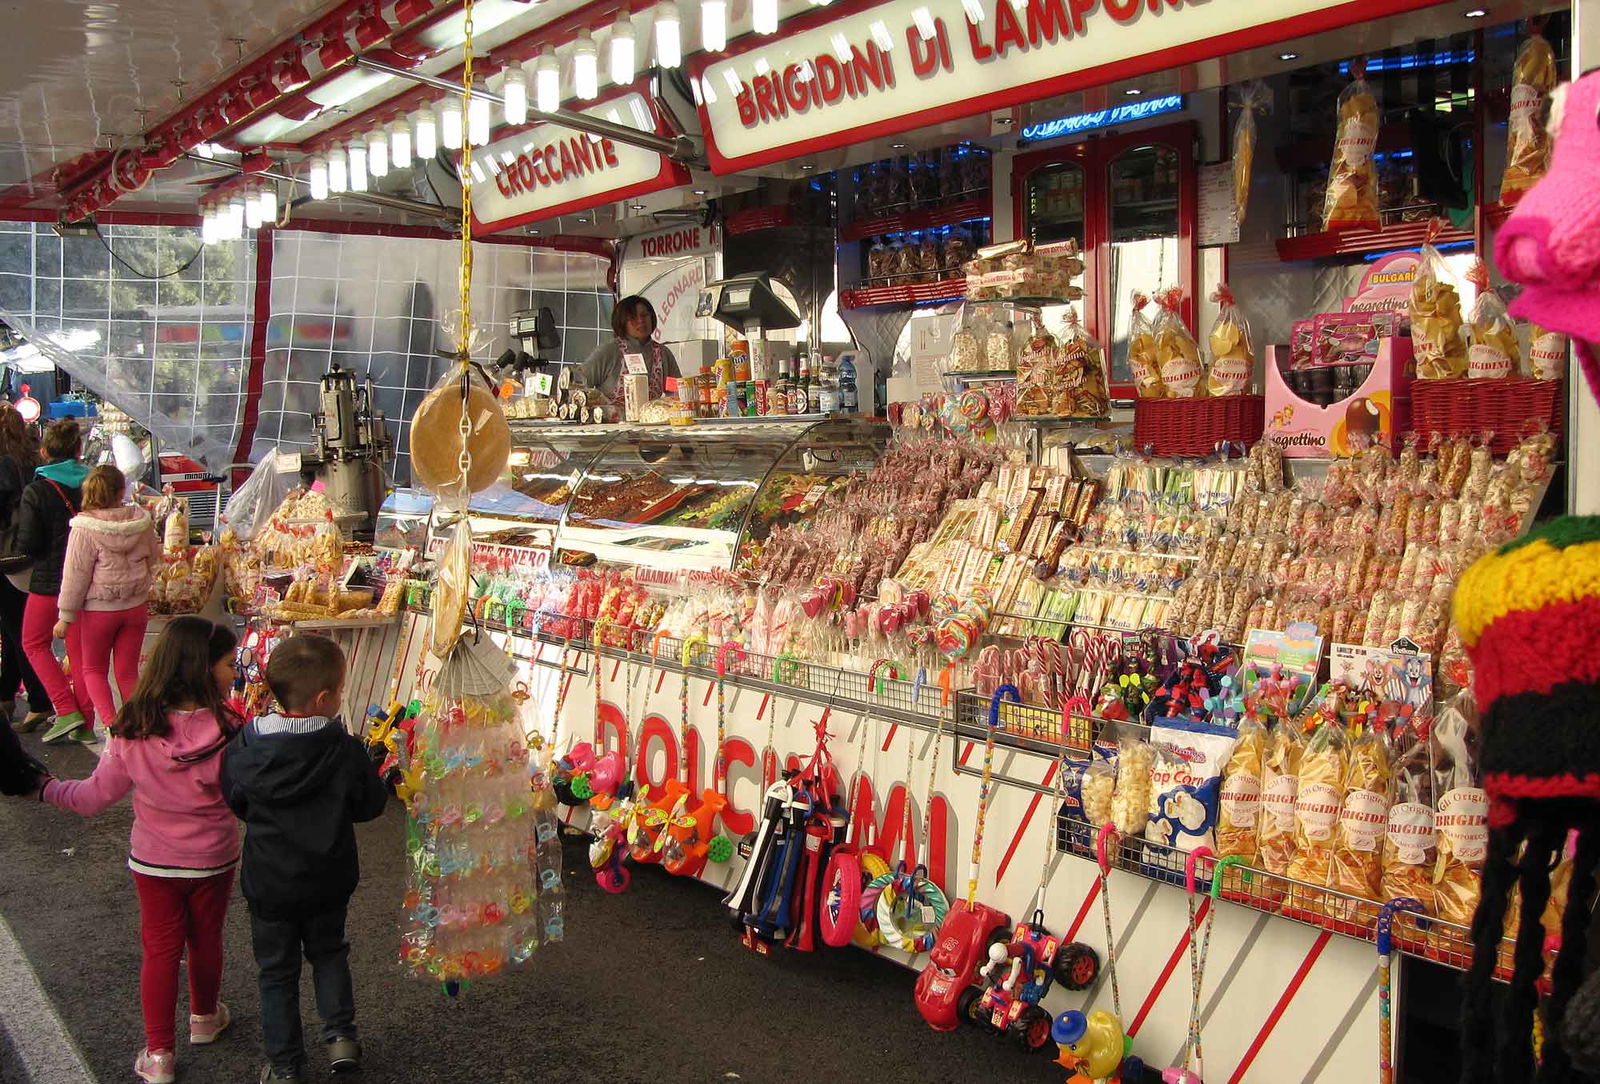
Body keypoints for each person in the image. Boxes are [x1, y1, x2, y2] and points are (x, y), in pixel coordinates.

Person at [36, 617, 243, 1084]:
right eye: (229, 664)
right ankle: (205, 1018)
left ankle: (159, 1054)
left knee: (160, 949)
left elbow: (92, 798)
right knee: (206, 938)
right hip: (213, 857)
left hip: (154, 861)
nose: (236, 672)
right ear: (203, 669)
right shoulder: (231, 726)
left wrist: (44, 787)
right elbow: (246, 793)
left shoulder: (132, 726)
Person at [221, 634, 389, 1083]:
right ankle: (340, 1038)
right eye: (340, 690)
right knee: (330, 954)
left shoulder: (247, 746)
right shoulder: (344, 749)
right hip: (328, 878)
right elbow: (370, 805)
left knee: (276, 973)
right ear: (322, 698)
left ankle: (285, 1066)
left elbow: (236, 799)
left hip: (269, 880)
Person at [52, 464, 161, 730]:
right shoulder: (140, 521)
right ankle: (138, 724)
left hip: (100, 610)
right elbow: (155, 557)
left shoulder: (84, 527)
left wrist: (65, 617)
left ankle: (113, 724)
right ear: (121, 491)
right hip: (135, 608)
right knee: (127, 672)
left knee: (93, 670)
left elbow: (75, 575)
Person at [16, 418, 93, 744]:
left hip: (50, 581)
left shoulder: (37, 489)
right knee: (80, 653)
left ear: (45, 451)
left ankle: (66, 709)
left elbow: (29, 544)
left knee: (33, 643)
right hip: (89, 579)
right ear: (78, 449)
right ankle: (87, 724)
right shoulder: (93, 482)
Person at [0, 404, 51, 732]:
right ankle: (6, 694)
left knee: (18, 630)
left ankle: (39, 701)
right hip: (31, 553)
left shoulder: (4, 463)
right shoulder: (34, 459)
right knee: (12, 626)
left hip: (5, 553)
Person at [579, 295, 680, 405]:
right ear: (622, 323)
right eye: (633, 318)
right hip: (610, 421)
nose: (640, 321)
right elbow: (578, 383)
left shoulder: (663, 354)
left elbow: (675, 391)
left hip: (651, 421)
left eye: (644, 315)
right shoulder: (609, 352)